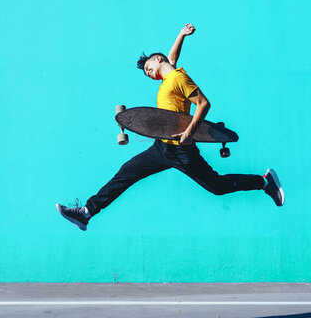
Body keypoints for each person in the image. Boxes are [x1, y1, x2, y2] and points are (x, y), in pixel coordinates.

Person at [56, 23, 284, 231]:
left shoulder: (178, 78)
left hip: (182, 149)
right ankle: (86, 212)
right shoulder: (169, 78)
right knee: (126, 172)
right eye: (146, 72)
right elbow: (171, 57)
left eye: (148, 67)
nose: (147, 73)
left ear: (158, 59)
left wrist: (189, 132)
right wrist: (181, 35)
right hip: (161, 148)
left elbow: (204, 104)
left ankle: (264, 181)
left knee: (217, 186)